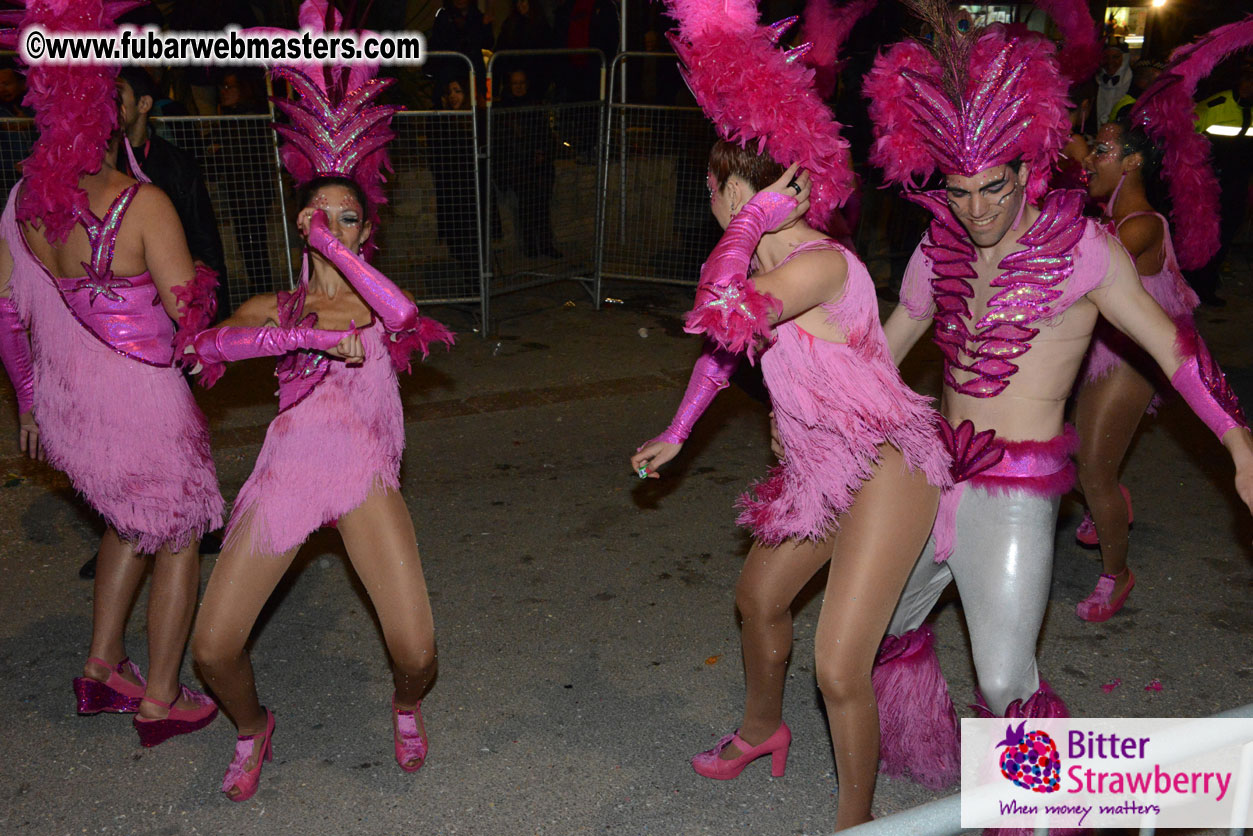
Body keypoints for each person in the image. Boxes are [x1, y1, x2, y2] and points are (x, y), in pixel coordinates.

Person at [862, 6, 1253, 796]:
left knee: (1006, 681)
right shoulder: (937, 243)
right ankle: (925, 747)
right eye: (958, 191)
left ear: (1026, 168)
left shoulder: (1085, 250)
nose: (974, 210)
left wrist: (1238, 440)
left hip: (1013, 492)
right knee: (885, 630)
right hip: (931, 474)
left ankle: (1035, 808)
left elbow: (1173, 347)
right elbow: (883, 349)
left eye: (992, 189)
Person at [632, 5, 950, 829]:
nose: (706, 200)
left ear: (744, 191)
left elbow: (724, 309)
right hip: (821, 470)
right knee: (758, 597)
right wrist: (676, 430)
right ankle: (762, 730)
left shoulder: (816, 266)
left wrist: (749, 219)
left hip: (884, 468)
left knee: (838, 667)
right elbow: (722, 353)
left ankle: (855, 820)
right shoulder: (771, 267)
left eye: (714, 187)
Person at [187, 20, 455, 801]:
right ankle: (251, 727)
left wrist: (337, 255)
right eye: (319, 217)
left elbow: (403, 316)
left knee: (418, 653)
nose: (334, 228)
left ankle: (405, 706)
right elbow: (204, 349)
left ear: (366, 231)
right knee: (212, 651)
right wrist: (290, 330)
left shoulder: (376, 306)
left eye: (349, 218)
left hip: (364, 478)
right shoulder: (275, 304)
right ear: (295, 225)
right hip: (286, 477)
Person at [0, 1, 222, 748]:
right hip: (143, 398)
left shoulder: (22, 207)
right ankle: (161, 699)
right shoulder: (144, 202)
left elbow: (5, 314)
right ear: (104, 110)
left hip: (71, 404)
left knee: (127, 520)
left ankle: (101, 668)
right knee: (180, 534)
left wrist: (30, 404)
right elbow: (190, 315)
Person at [1072, 17, 1253, 623]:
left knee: (1092, 469)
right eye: (1092, 146)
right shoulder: (1107, 209)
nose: (1090, 157)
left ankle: (1117, 576)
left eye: (1102, 149)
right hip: (1102, 346)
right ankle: (1113, 500)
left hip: (1139, 357)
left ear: (1131, 165)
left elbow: (1103, 274)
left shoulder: (1142, 225)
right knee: (1081, 458)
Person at [76, 67, 232, 580]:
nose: (106, 103)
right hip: (116, 339)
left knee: (178, 439)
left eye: (116, 94)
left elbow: (205, 242)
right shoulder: (89, 173)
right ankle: (127, 534)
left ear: (143, 105)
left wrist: (210, 328)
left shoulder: (174, 167)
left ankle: (184, 526)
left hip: (176, 320)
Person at [1188, 58, 1253, 308]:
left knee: (1225, 236)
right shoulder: (1216, 105)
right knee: (1204, 236)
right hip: (1210, 183)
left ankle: (1207, 285)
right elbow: (1187, 140)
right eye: (1248, 79)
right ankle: (1194, 284)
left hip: (1236, 185)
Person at [495, 69, 560, 259]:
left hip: (539, 165)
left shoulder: (535, 104)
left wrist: (542, 153)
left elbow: (545, 134)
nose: (519, 87)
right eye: (515, 83)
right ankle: (531, 246)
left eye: (522, 83)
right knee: (526, 207)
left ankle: (546, 244)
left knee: (542, 206)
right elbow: (504, 140)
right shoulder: (504, 109)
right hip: (519, 166)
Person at [1096, 41, 1131, 125]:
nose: (1110, 61)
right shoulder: (1094, 81)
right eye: (1106, 57)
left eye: (1116, 57)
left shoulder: (1134, 82)